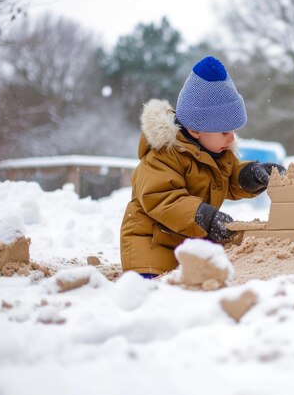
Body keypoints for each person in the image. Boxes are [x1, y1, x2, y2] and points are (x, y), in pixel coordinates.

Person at [120, 56, 284, 278]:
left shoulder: (217, 152)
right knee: (156, 287)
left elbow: (228, 178)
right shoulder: (163, 156)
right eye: (224, 131)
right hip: (154, 245)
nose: (231, 138)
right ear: (196, 129)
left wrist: (249, 176)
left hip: (190, 239)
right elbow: (162, 198)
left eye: (233, 131)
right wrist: (205, 218)